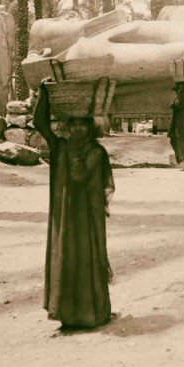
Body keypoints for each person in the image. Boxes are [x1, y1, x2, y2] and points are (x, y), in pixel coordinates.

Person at [33, 83, 115, 330]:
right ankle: (68, 315)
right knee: (66, 257)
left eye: (84, 124)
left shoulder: (97, 153)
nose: (79, 129)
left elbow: (97, 185)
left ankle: (93, 314)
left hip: (87, 219)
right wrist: (43, 94)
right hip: (65, 217)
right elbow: (40, 124)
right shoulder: (60, 148)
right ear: (68, 126)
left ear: (90, 127)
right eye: (75, 124)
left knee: (88, 258)